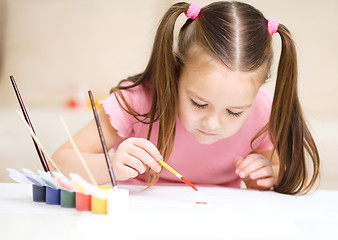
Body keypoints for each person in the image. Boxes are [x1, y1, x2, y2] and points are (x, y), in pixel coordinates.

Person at [52, 1, 320, 194]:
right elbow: (57, 163)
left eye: (235, 112)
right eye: (199, 103)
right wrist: (109, 164)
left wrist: (266, 174)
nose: (212, 123)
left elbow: (281, 168)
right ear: (176, 72)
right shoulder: (137, 102)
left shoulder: (262, 111)